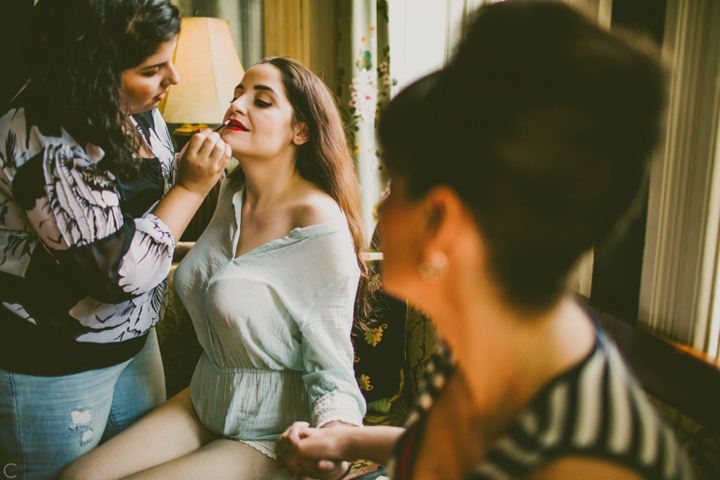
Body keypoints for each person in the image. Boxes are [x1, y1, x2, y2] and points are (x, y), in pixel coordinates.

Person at [275, 2, 695, 479]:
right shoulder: (485, 337)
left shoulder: (587, 460)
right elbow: (448, 450)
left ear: (441, 221)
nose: (380, 209)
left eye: (394, 184)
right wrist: (347, 437)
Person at [60, 57, 368, 480]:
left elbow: (333, 368)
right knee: (77, 478)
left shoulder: (317, 222)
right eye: (237, 93)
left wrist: (337, 438)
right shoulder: (231, 190)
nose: (237, 105)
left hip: (270, 430)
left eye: (261, 101)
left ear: (301, 131)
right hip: (206, 400)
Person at [0, 0, 231, 478]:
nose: (174, 80)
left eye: (172, 58)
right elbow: (118, 273)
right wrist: (191, 187)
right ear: (94, 71)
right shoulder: (44, 143)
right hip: (54, 361)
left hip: (133, 342)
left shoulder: (136, 105)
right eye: (152, 69)